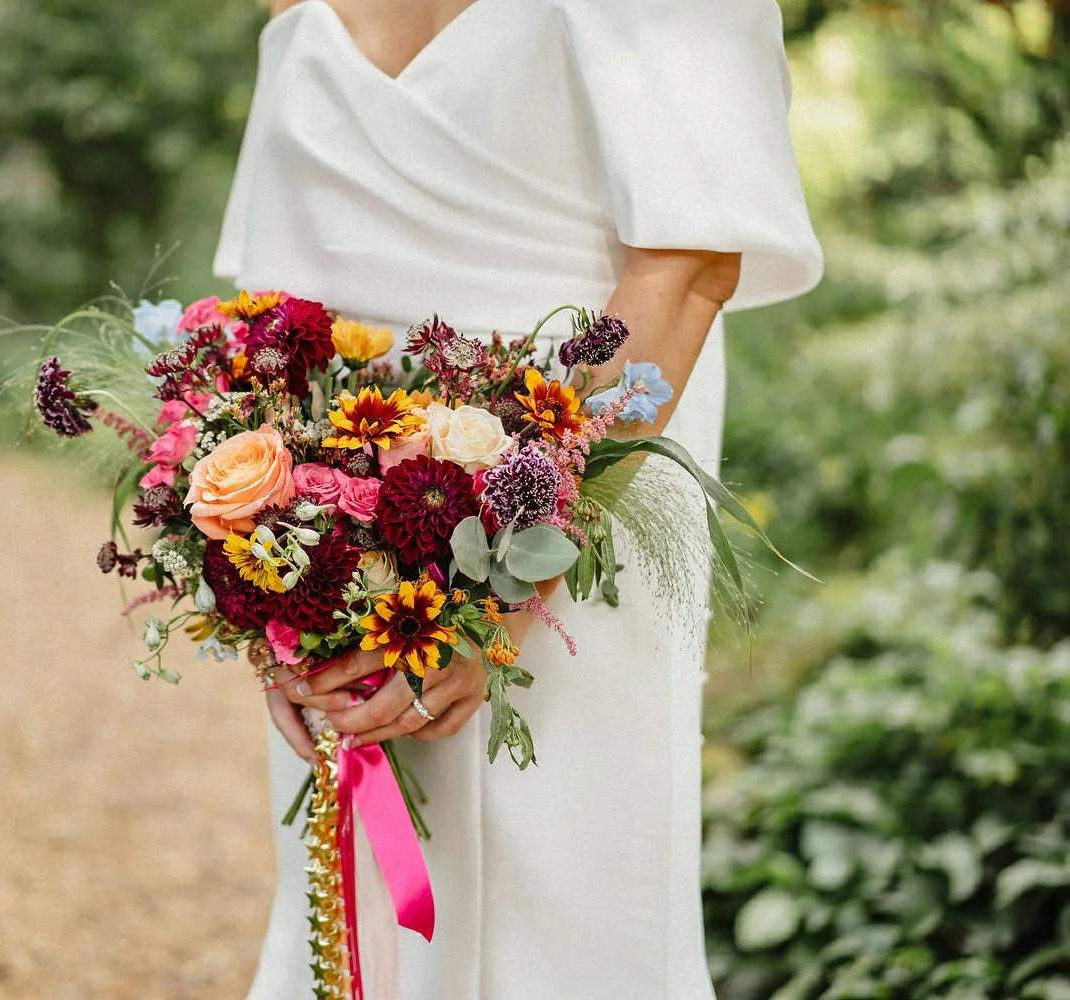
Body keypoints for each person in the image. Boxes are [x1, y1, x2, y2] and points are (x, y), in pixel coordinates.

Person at [213, 0, 823, 996]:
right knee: (353, 894)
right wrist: (267, 576)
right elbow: (270, 300)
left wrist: (502, 597)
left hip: (583, 502)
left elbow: (690, 263)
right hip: (339, 531)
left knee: (566, 887)